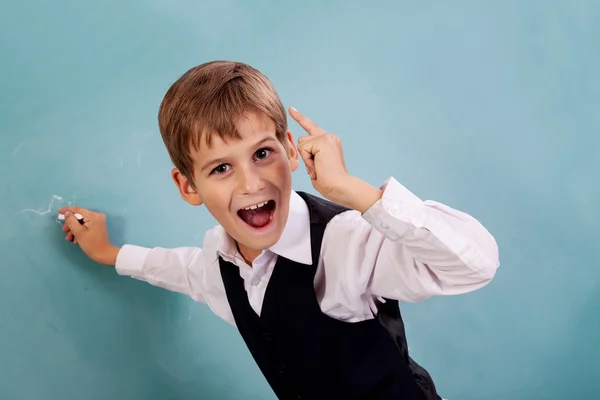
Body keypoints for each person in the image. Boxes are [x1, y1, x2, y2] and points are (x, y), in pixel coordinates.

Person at [58, 60, 499, 400]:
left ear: (291, 149)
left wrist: (356, 192)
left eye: (263, 153)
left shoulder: (344, 243)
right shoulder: (220, 262)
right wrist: (110, 253)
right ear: (188, 186)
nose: (251, 183)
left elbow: (473, 265)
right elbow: (180, 268)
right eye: (222, 167)